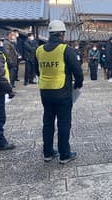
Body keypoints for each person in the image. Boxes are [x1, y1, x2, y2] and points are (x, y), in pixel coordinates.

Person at [34, 20, 83, 164]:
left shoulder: (39, 50)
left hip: (45, 91)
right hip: (62, 92)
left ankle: (48, 153)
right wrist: (78, 85)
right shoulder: (65, 49)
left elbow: (38, 70)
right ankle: (64, 154)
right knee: (63, 123)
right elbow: (78, 71)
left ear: (49, 33)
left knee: (48, 122)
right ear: (62, 34)